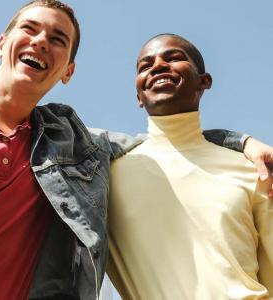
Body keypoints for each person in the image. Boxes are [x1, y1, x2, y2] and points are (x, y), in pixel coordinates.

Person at [0, 1, 272, 299]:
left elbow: (168, 142)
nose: (41, 42)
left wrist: (243, 142)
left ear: (68, 70)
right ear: (2, 43)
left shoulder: (72, 145)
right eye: (30, 30)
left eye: (58, 39)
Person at [107, 33, 273, 299]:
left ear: (203, 81)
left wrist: (244, 142)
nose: (158, 65)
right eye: (145, 66)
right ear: (138, 95)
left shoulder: (253, 170)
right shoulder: (106, 177)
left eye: (174, 58)